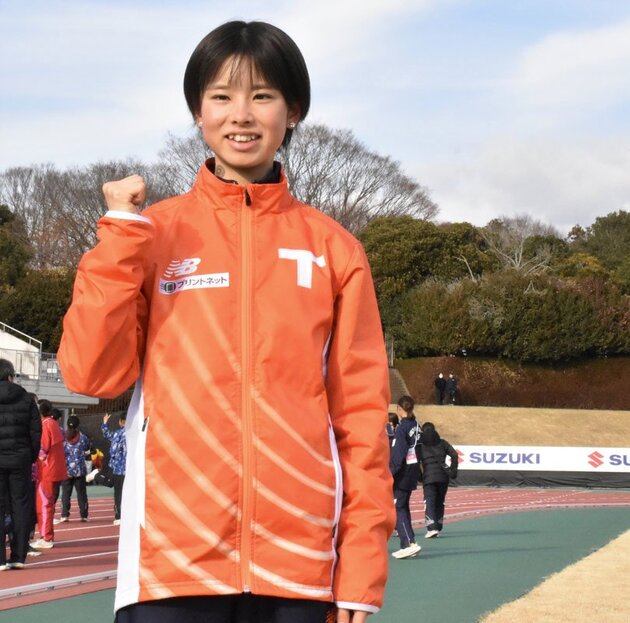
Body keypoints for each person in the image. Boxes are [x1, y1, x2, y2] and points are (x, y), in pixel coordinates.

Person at [57, 20, 393, 623]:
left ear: (293, 111)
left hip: (299, 563)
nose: (242, 115)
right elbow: (92, 375)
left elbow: (361, 417)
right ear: (197, 112)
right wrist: (117, 240)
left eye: (262, 95)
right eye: (222, 96)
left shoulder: (333, 250)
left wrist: (361, 569)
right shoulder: (150, 234)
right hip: (171, 558)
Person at [0, 359, 41, 570]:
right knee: (21, 506)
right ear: (11, 375)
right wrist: (30, 456)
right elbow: (35, 432)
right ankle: (18, 555)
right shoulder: (26, 398)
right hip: (20, 459)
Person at [31, 400, 67, 550]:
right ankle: (46, 535)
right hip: (53, 469)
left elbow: (42, 449)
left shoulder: (45, 424)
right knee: (47, 503)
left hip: (46, 470)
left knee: (44, 504)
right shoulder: (53, 423)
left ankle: (46, 537)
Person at [389, 395, 421, 559]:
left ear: (399, 409)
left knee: (397, 507)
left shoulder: (401, 429)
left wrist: (390, 473)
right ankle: (410, 542)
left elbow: (399, 454)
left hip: (402, 473)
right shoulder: (416, 425)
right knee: (403, 506)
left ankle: (407, 543)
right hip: (413, 471)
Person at [415, 422, 458, 538]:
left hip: (428, 477)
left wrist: (419, 476)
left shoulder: (420, 445)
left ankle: (431, 527)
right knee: (440, 501)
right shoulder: (442, 443)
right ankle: (438, 525)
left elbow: (416, 462)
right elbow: (454, 455)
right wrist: (453, 470)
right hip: (443, 476)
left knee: (429, 501)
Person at [57, 415, 91, 524]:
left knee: (66, 493)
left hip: (66, 470)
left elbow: (60, 452)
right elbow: (87, 449)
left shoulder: (63, 437)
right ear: (78, 425)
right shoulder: (83, 438)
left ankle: (64, 515)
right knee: (81, 494)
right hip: (80, 470)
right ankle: (84, 515)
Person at [100, 413, 126, 526]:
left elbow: (107, 434)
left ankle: (119, 515)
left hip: (117, 468)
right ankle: (124, 515)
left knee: (118, 492)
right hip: (128, 468)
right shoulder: (134, 434)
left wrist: (105, 423)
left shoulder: (117, 433)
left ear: (121, 421)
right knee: (126, 492)